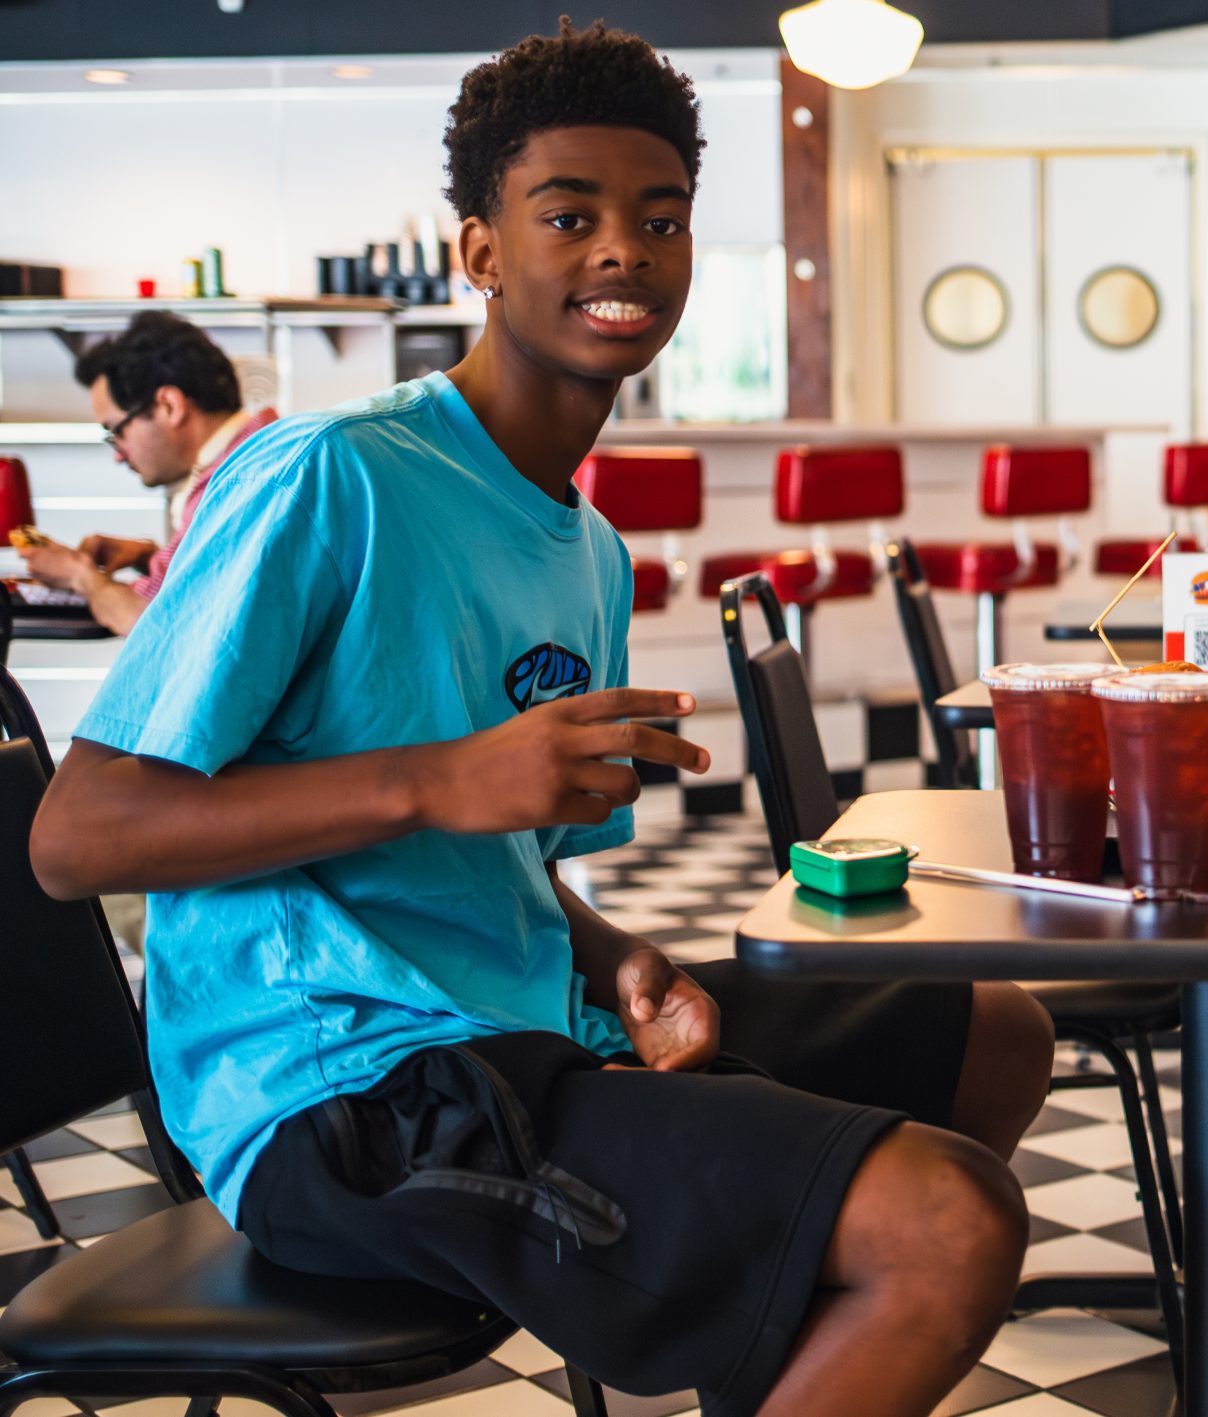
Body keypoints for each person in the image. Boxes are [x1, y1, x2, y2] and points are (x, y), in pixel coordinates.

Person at [30, 23, 1053, 1417]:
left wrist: (620, 954)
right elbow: (80, 836)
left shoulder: (591, 549)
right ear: (481, 253)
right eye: (569, 215)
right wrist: (441, 780)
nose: (622, 250)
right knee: (947, 1221)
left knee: (993, 1028)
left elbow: (495, 858)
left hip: (517, 1022)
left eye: (661, 218)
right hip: (339, 1088)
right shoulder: (335, 476)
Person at [16, 310, 275, 636]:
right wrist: (150, 556)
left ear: (170, 405)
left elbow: (152, 626)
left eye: (117, 431)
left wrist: (79, 575)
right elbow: (216, 581)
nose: (118, 455)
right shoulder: (262, 450)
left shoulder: (234, 482)